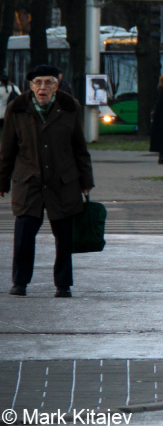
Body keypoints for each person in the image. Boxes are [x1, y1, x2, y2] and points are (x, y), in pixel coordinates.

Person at [0, 64, 95, 298]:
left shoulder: (70, 107)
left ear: (57, 85)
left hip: (63, 182)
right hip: (28, 182)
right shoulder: (17, 108)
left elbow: (79, 148)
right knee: (24, 236)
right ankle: (20, 282)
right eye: (38, 83)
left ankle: (63, 284)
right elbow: (7, 150)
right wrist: (2, 182)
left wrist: (86, 181)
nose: (43, 87)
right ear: (31, 86)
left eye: (48, 82)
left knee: (64, 238)